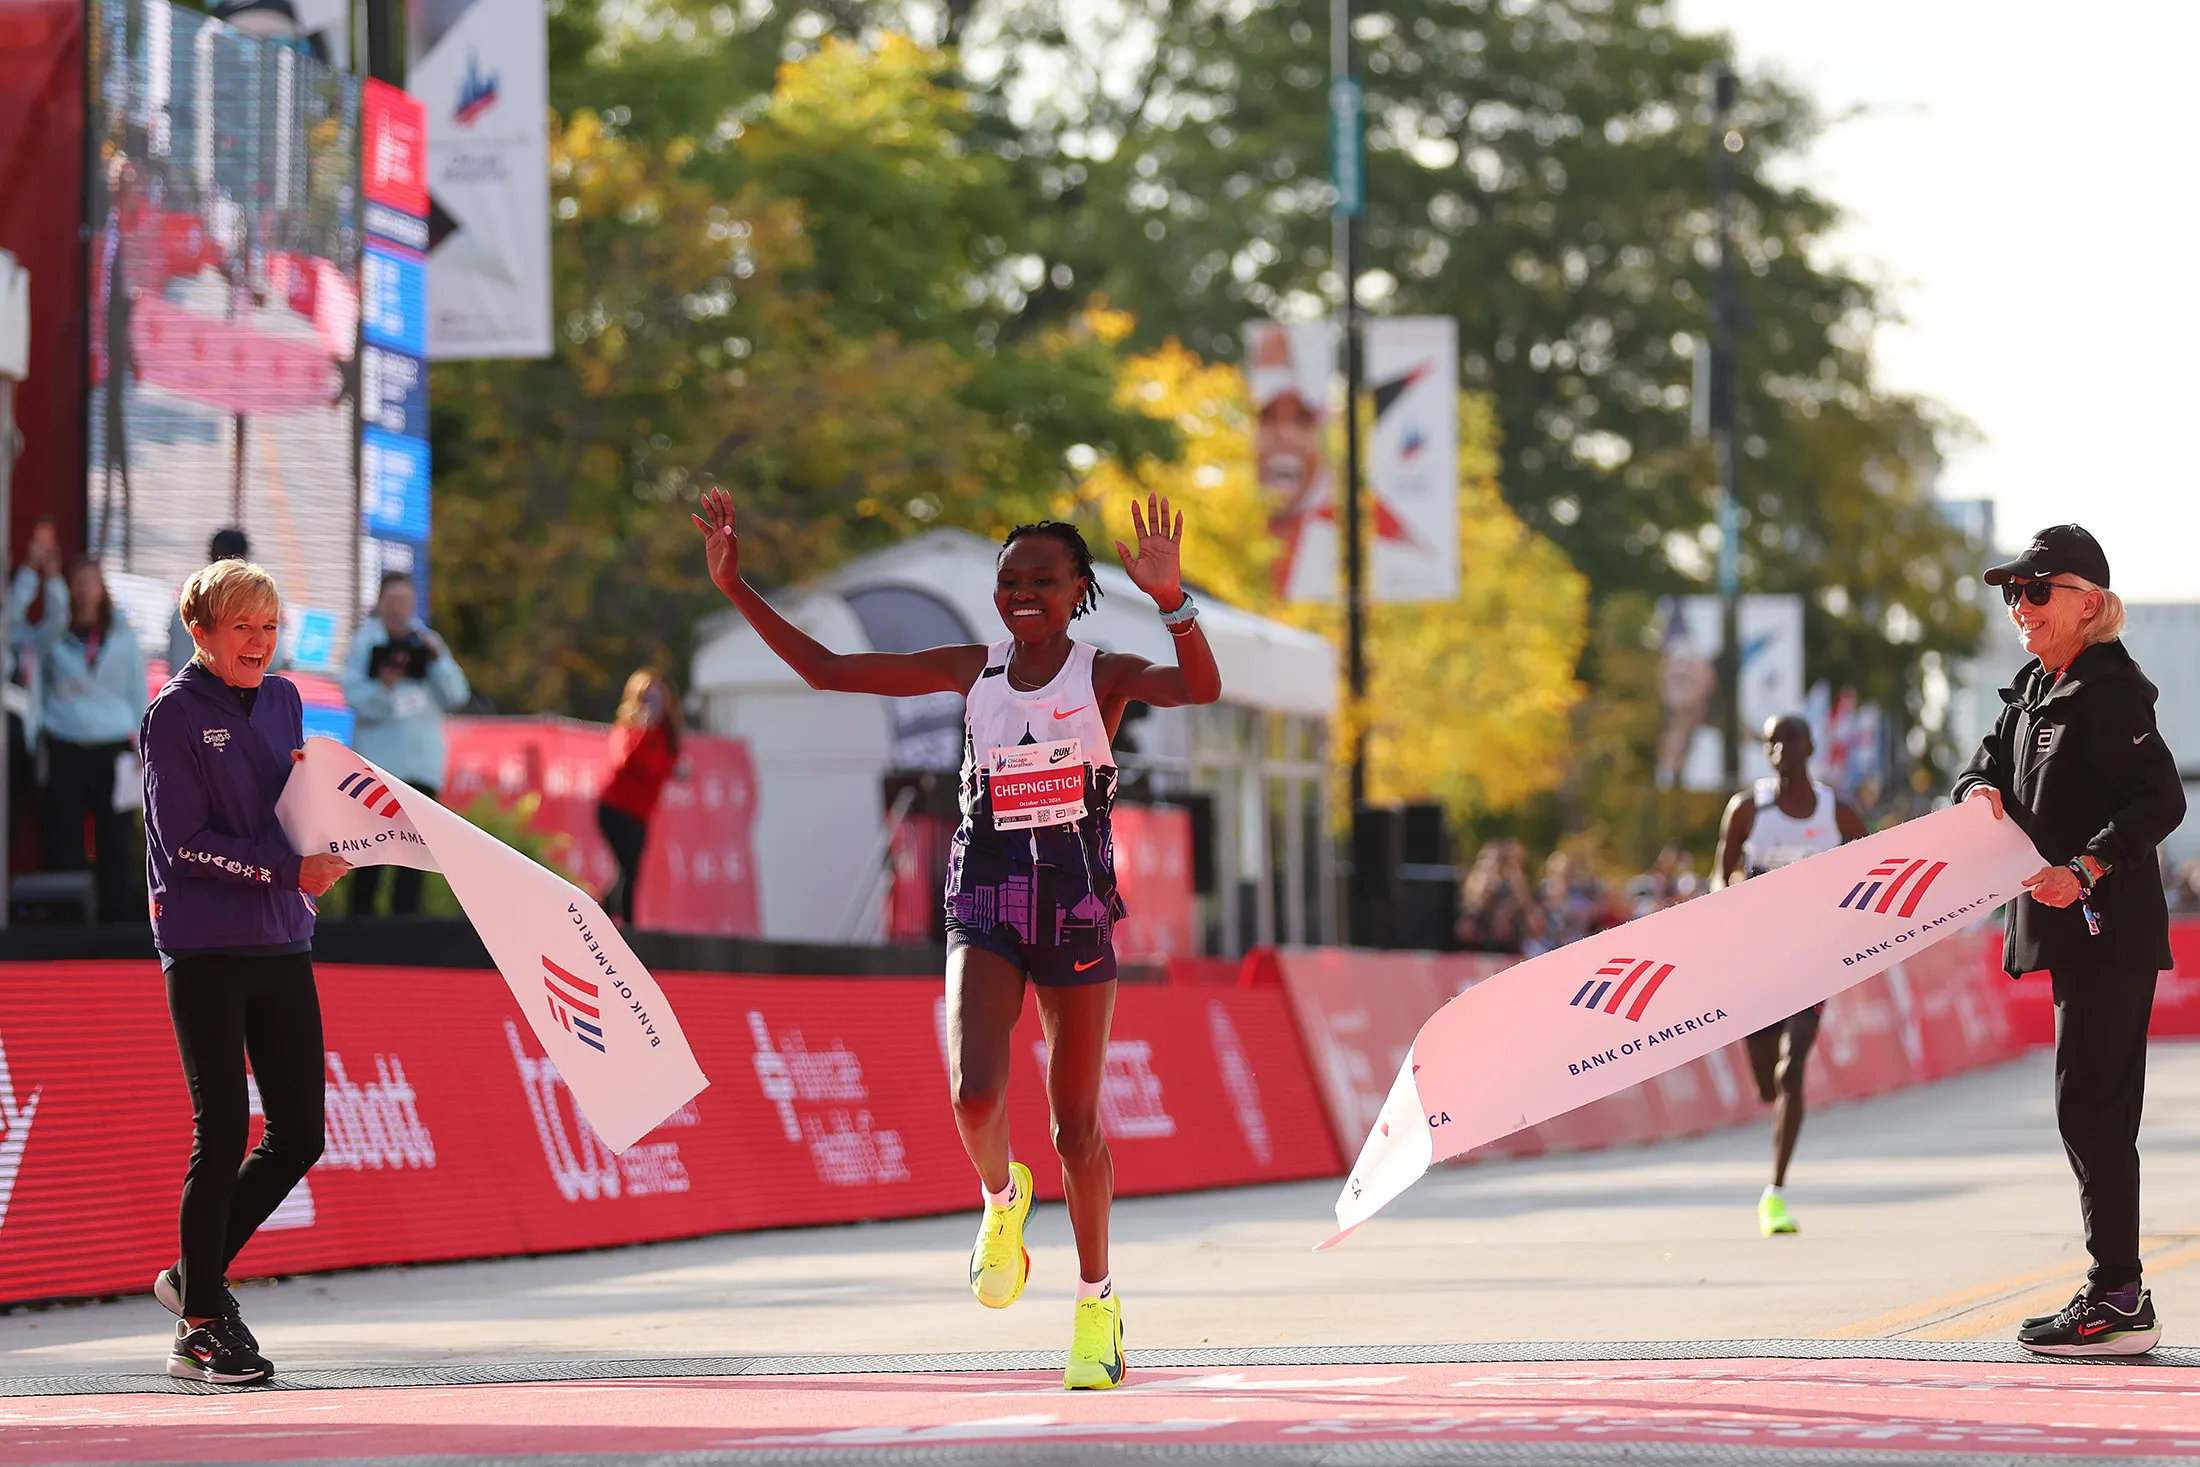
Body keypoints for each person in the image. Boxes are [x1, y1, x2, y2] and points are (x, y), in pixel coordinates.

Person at [692, 487, 1220, 1390]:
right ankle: (1000, 1199)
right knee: (975, 1096)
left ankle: (1097, 1307)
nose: (1023, 592)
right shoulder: (970, 669)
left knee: (1077, 1127)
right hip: (984, 900)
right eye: (1010, 578)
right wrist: (737, 587)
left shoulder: (1101, 674)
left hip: (1076, 910)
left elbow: (1199, 688)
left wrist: (1172, 602)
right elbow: (826, 669)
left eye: (1043, 580)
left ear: (1078, 589)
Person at [1955, 525, 2184, 1357]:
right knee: (2087, 1108)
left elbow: (2162, 802)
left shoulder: (2113, 689)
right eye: (2012, 591)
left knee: (2091, 1108)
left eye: (2037, 590)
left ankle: (2118, 1296)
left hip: (2106, 928)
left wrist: (2088, 866)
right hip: (2068, 932)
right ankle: (2116, 1291)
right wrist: (1979, 789)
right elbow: (1981, 765)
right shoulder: (2030, 686)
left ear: (2089, 602)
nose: (2020, 605)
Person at [142, 558, 350, 1382]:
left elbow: (295, 805)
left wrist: (337, 836)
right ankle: (199, 1322)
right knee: (223, 1128)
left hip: (282, 938)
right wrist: (282, 870)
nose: (258, 643)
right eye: (242, 628)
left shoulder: (287, 698)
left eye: (269, 629)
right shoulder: (171, 716)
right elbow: (180, 842)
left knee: (301, 1132)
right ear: (201, 632)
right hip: (202, 945)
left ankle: (192, 1274)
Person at [1715, 714, 1867, 1237]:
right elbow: (1721, 875)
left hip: (1813, 958)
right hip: (1757, 957)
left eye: (1791, 738)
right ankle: (1770, 1092)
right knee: (1765, 1081)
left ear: (1810, 746)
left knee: (1791, 1068)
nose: (1781, 748)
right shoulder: (1748, 809)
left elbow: (1872, 868)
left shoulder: (1836, 811)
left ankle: (1774, 1192)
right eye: (1772, 741)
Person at [13, 551, 150, 921]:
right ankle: (67, 916)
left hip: (113, 746)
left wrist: (142, 741)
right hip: (64, 743)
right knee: (63, 831)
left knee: (116, 835)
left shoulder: (122, 635)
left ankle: (117, 911)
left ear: (103, 588)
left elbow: (138, 690)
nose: (85, 588)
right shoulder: (52, 636)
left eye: (92, 580)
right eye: (78, 581)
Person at [340, 571, 468, 916]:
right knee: (370, 857)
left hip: (421, 769)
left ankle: (404, 937)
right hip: (378, 770)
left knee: (413, 860)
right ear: (380, 602)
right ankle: (360, 933)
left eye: (406, 602)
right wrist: (383, 687)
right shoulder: (365, 642)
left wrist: (438, 659)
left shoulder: (428, 641)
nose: (399, 609)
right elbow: (353, 696)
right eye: (393, 601)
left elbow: (457, 694)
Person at [597, 668, 684, 926]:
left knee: (628, 869)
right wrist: (643, 731)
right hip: (616, 809)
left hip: (640, 814)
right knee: (629, 868)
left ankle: (600, 914)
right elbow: (624, 761)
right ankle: (629, 926)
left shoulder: (667, 735)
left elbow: (663, 766)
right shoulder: (630, 729)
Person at [167, 529, 275, 676]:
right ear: (245, 557)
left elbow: (174, 654)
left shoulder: (189, 599)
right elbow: (276, 658)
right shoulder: (260, 601)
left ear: (210, 554)